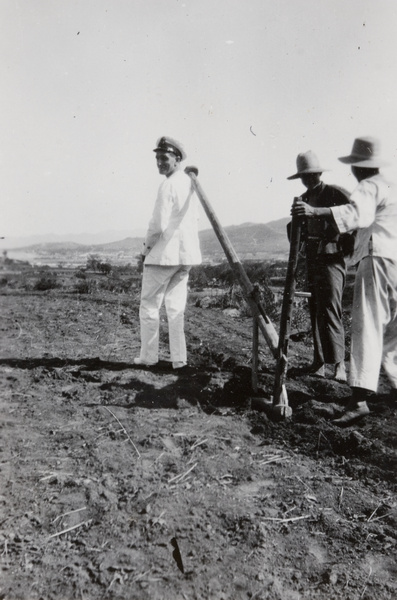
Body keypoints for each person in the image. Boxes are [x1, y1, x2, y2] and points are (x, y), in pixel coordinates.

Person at [292, 136, 397, 425]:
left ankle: (359, 400)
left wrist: (316, 212)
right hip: (394, 260)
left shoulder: (368, 185)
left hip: (376, 258)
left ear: (358, 168)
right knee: (392, 332)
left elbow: (355, 215)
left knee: (368, 327)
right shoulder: (391, 186)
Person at [134, 136, 202, 369]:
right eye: (157, 158)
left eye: (164, 158)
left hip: (163, 256)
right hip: (185, 257)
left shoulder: (169, 184)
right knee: (175, 309)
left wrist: (146, 250)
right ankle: (179, 360)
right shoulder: (189, 183)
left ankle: (149, 357)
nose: (159, 163)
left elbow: (158, 225)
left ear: (177, 159)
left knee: (149, 306)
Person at [287, 150, 350, 382]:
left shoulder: (334, 193)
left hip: (332, 258)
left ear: (320, 173)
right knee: (315, 309)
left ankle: (339, 366)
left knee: (331, 309)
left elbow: (353, 213)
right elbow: (295, 229)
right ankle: (319, 362)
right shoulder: (303, 198)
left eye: (312, 175)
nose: (308, 179)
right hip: (313, 259)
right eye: (304, 176)